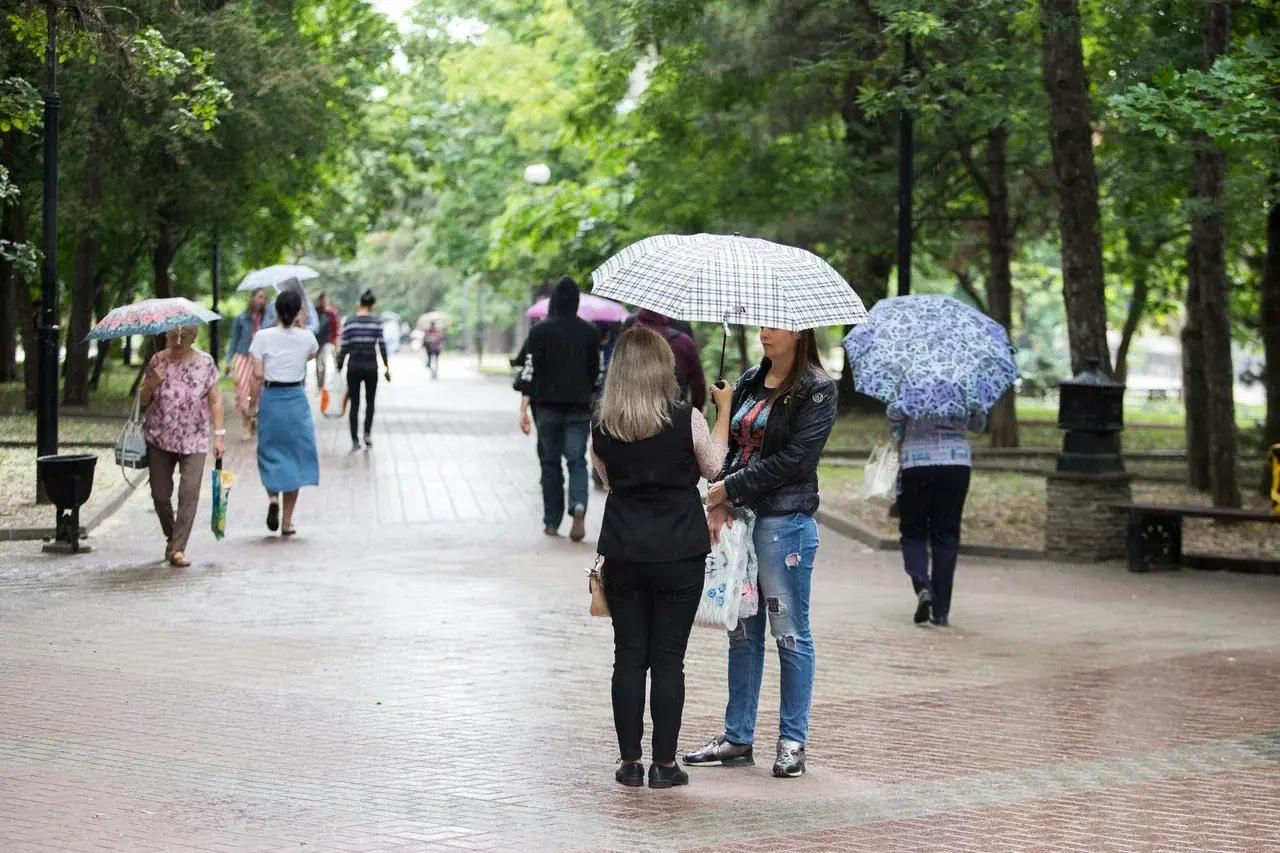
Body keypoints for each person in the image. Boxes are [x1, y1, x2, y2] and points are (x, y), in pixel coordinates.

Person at [685, 326, 837, 779]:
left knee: (789, 632)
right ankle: (737, 736)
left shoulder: (816, 390)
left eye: (775, 326)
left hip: (784, 525)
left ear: (799, 332)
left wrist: (729, 487)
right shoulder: (753, 378)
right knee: (742, 631)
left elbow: (795, 461)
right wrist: (723, 492)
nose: (764, 332)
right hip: (743, 522)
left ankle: (792, 740)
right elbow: (735, 448)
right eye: (762, 324)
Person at [591, 327, 733, 789]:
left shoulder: (603, 426)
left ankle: (629, 762)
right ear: (662, 368)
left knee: (628, 657)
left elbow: (608, 482)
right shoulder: (686, 418)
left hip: (625, 550)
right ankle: (665, 765)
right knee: (669, 659)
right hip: (679, 551)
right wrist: (723, 413)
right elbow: (715, 468)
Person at [515, 276, 600, 541]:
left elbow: (529, 371)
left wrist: (523, 410)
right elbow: (594, 372)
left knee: (550, 463)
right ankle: (578, 506)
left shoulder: (539, 331)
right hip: (578, 408)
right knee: (576, 461)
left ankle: (552, 521)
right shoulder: (589, 332)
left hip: (547, 409)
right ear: (576, 302)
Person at [891, 407, 987, 627]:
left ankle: (923, 586)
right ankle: (941, 609)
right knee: (946, 534)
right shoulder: (966, 384)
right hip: (956, 464)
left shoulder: (910, 382)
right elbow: (979, 425)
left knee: (913, 532)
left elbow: (895, 426)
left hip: (916, 463)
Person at [141, 325, 225, 568]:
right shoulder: (158, 360)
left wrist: (219, 436)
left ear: (194, 337)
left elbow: (216, 400)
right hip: (159, 437)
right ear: (165, 335)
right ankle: (171, 535)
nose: (177, 341)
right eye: (172, 336)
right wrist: (152, 383)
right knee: (159, 494)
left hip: (195, 438)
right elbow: (143, 399)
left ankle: (178, 548)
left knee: (189, 492)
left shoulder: (205, 363)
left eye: (184, 336)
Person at [249, 290, 319, 536]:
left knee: (269, 453)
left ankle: (273, 499)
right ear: (299, 311)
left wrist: (251, 406)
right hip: (296, 400)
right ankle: (287, 522)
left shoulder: (262, 337)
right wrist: (299, 325)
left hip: (272, 400)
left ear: (275, 311)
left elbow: (257, 375)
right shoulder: (308, 337)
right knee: (295, 458)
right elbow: (311, 355)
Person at [338, 290, 391, 451]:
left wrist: (339, 365)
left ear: (360, 304)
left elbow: (344, 346)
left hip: (353, 365)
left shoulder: (350, 321)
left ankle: (355, 440)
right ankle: (367, 434)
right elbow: (381, 345)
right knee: (370, 402)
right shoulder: (376, 322)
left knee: (354, 403)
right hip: (371, 366)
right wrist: (387, 367)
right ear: (372, 305)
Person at [629, 310, 707, 411]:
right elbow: (697, 381)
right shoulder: (684, 341)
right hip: (674, 409)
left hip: (632, 409)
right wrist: (697, 410)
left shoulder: (628, 339)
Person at [224, 288, 267, 440]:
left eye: (264, 297)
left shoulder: (267, 319)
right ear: (252, 298)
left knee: (257, 393)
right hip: (243, 357)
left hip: (260, 359)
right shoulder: (241, 318)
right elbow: (234, 340)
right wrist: (229, 361)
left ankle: (251, 423)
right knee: (243, 393)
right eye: (259, 296)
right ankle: (247, 422)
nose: (261, 300)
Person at [313, 293, 341, 387]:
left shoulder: (331, 313)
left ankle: (324, 385)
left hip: (327, 341)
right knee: (319, 364)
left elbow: (336, 328)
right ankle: (320, 384)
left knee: (323, 362)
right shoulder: (315, 312)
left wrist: (335, 342)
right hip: (317, 341)